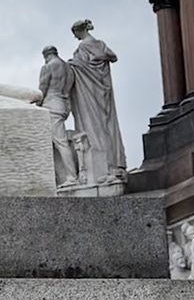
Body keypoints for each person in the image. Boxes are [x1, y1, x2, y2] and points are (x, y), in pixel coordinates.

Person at [66, 19, 128, 184]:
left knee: (96, 126)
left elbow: (83, 67)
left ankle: (106, 165)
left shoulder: (84, 47)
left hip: (92, 92)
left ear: (79, 32)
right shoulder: (100, 44)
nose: (75, 38)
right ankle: (114, 162)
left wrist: (72, 65)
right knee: (107, 125)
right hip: (103, 88)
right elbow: (111, 57)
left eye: (75, 34)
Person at [37, 45, 78, 187]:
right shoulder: (68, 68)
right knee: (56, 142)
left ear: (46, 55)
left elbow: (42, 89)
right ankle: (60, 177)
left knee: (60, 143)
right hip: (64, 105)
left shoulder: (48, 66)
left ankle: (71, 177)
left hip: (51, 105)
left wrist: (36, 104)